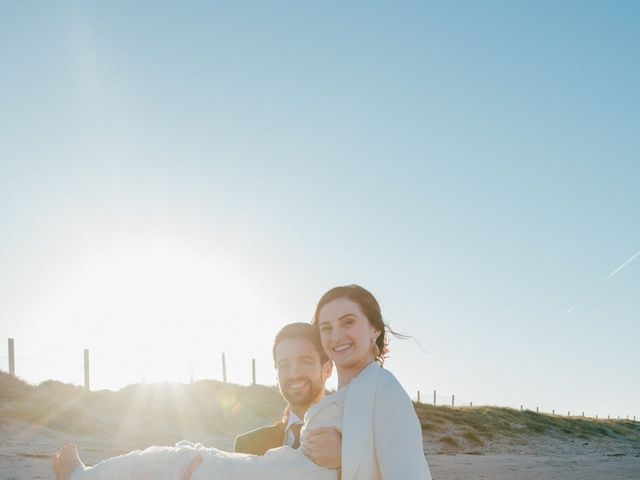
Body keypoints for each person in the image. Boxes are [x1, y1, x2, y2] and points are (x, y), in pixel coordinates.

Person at [53, 285, 432, 480]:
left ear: (374, 330)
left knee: (185, 458)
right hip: (272, 468)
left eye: (348, 322)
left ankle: (82, 477)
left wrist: (344, 455)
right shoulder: (355, 393)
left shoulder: (384, 389)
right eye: (327, 327)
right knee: (186, 458)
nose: (337, 335)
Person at [234, 322, 342, 469]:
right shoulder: (247, 445)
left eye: (305, 362)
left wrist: (347, 457)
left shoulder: (351, 444)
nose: (294, 374)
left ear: (327, 369)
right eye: (284, 365)